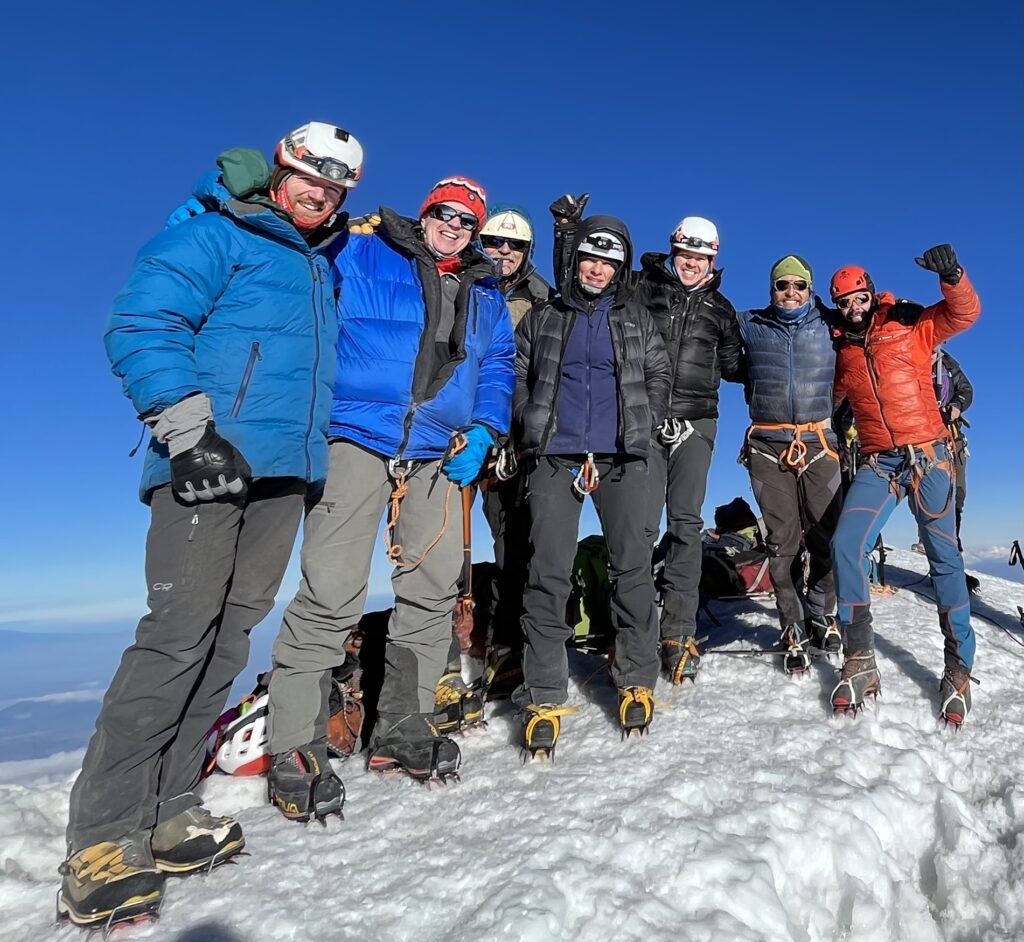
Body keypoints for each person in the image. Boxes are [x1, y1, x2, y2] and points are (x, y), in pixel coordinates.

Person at [59, 122, 362, 929]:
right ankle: (101, 836)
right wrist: (188, 431)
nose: (319, 196)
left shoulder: (317, 266)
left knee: (230, 639)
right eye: (308, 180)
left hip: (282, 476)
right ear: (280, 172)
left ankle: (166, 810)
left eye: (334, 190)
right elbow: (140, 323)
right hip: (207, 460)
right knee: (176, 635)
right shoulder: (217, 233)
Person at [265, 176, 515, 817]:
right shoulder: (366, 250)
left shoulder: (486, 295)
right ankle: (295, 745)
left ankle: (404, 725)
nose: (454, 227)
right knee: (333, 589)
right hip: (357, 437)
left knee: (433, 589)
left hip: (437, 453)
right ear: (424, 213)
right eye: (444, 214)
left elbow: (497, 368)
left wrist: (486, 429)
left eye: (467, 221)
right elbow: (302, 262)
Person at [512, 208, 671, 756]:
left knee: (631, 568)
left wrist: (646, 423)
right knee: (548, 573)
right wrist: (529, 424)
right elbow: (521, 374)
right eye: (590, 257)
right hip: (555, 457)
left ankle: (636, 680)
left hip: (622, 457)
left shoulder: (635, 319)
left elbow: (658, 373)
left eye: (609, 261)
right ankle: (546, 690)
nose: (598, 269)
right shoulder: (543, 317)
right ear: (575, 260)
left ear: (620, 268)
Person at [828, 247, 981, 725]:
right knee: (846, 544)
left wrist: (952, 277)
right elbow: (828, 397)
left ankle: (958, 669)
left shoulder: (909, 324)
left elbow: (964, 313)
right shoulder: (842, 350)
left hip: (929, 457)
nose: (855, 306)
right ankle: (860, 657)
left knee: (945, 561)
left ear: (872, 293)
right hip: (880, 460)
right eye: (845, 301)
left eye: (861, 296)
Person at [633, 216, 744, 683]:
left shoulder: (721, 309)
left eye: (701, 258)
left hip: (697, 422)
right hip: (642, 417)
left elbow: (739, 366)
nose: (692, 264)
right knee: (636, 528)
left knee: (685, 524)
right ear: (673, 250)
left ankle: (679, 633)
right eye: (686, 255)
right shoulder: (639, 288)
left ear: (712, 261)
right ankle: (634, 634)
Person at [736, 256, 844, 674]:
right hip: (767, 444)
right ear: (771, 289)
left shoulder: (830, 324)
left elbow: (866, 317)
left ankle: (822, 612)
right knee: (782, 542)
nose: (791, 292)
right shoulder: (751, 324)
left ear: (811, 288)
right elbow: (711, 322)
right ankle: (793, 622)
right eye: (783, 285)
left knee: (826, 538)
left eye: (800, 284)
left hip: (820, 443)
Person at [475, 205, 554, 697]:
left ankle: (517, 644)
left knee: (522, 538)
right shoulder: (462, 282)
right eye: (495, 241)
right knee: (480, 538)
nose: (503, 251)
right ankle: (484, 645)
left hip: (520, 436)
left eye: (515, 245)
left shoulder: (543, 300)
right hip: (460, 430)